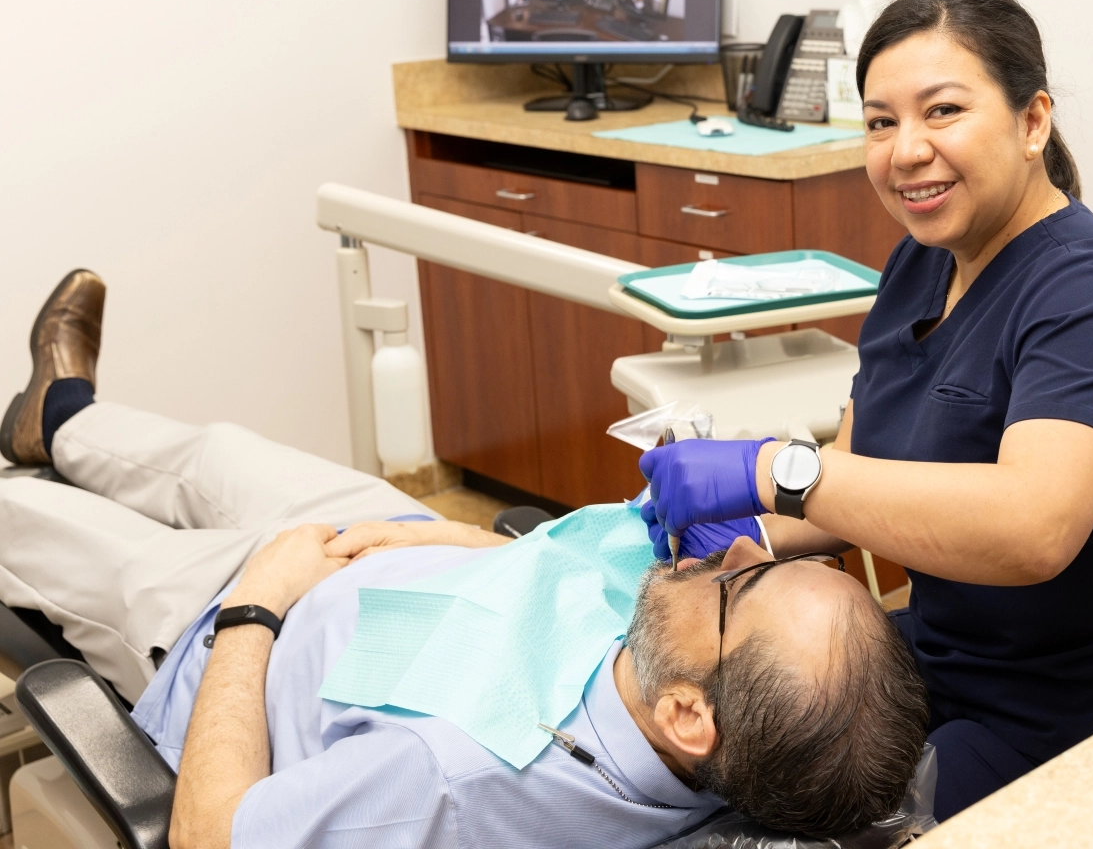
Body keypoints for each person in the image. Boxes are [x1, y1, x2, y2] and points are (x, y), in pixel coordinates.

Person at [0, 270, 929, 848]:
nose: (740, 550)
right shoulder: (685, 669)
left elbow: (213, 838)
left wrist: (258, 603)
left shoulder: (447, 784)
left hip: (233, 632)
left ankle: (49, 453)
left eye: (745, 583)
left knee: (34, 518)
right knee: (218, 455)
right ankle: (62, 414)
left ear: (689, 715)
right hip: (395, 545)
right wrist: (447, 538)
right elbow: (555, 597)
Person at [639, 0, 1093, 820]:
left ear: (1032, 122)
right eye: (880, 122)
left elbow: (1034, 528)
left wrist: (768, 470)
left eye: (943, 111)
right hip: (937, 658)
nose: (905, 151)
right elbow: (856, 476)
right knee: (688, 756)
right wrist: (738, 531)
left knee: (768, 810)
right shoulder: (919, 264)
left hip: (1059, 710)